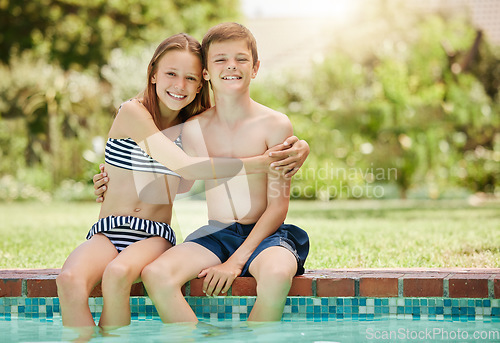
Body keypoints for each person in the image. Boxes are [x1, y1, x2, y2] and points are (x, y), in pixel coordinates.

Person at [56, 33, 309, 332]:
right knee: (70, 279)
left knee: (117, 275)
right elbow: (186, 170)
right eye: (171, 74)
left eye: (189, 78)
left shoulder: (191, 126)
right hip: (122, 229)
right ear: (153, 74)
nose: (180, 85)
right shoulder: (151, 117)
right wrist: (263, 162)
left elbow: (184, 181)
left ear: (201, 82)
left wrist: (301, 147)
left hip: (157, 233)